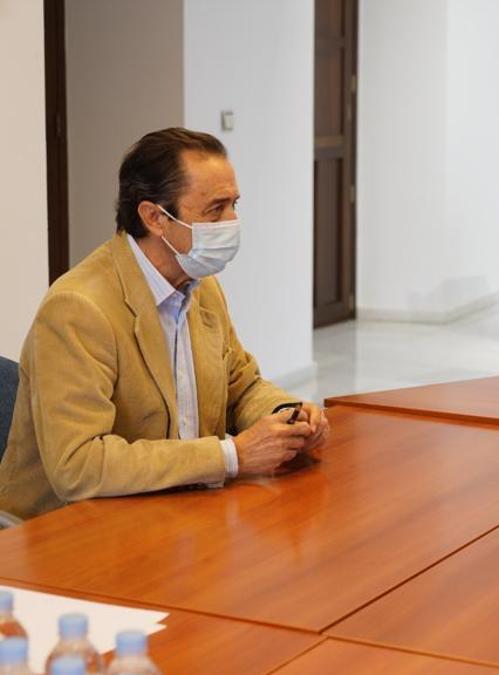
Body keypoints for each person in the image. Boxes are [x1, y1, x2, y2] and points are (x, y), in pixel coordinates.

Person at [0, 128, 331, 520]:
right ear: (155, 217)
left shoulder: (201, 286)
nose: (232, 221)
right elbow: (78, 465)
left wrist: (289, 416)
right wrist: (231, 456)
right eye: (215, 209)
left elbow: (240, 387)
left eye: (234, 205)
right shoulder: (78, 308)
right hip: (68, 529)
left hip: (172, 511)